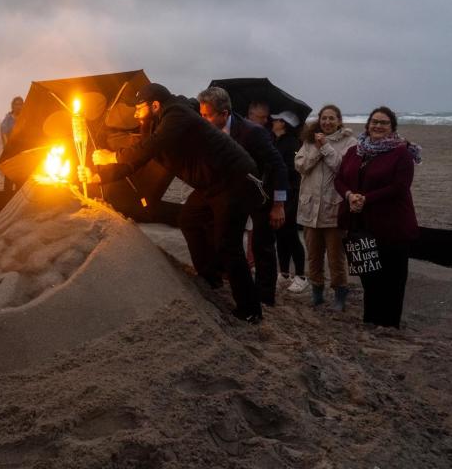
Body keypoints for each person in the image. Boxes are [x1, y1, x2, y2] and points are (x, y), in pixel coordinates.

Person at [80, 83, 265, 323]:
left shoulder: (177, 114)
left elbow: (151, 146)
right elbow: (140, 158)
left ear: (155, 105)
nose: (135, 114)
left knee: (228, 243)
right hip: (209, 184)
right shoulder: (155, 123)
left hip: (233, 180)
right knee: (188, 219)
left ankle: (250, 310)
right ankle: (210, 276)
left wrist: (112, 156)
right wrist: (98, 176)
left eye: (139, 108)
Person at [197, 87, 289, 306]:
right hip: (231, 194)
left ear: (224, 114)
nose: (203, 120)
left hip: (261, 193)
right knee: (224, 236)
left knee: (262, 245)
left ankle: (265, 298)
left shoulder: (252, 133)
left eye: (207, 115)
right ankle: (221, 277)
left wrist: (278, 204)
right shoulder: (207, 132)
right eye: (201, 115)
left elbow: (279, 167)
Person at [334, 107, 420, 328]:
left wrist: (366, 199)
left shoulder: (401, 153)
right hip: (360, 224)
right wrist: (349, 195)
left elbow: (400, 187)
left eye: (384, 123)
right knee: (369, 275)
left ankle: (389, 324)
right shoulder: (355, 151)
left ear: (392, 128)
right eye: (374, 122)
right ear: (367, 124)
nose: (378, 126)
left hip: (392, 225)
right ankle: (371, 319)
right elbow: (339, 179)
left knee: (392, 278)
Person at [295, 104, 356, 310]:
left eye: (332, 118)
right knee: (313, 255)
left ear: (339, 121)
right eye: (324, 118)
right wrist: (316, 150)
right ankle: (317, 292)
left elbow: (343, 168)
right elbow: (300, 166)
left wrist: (326, 148)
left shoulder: (349, 142)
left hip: (333, 208)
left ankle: (340, 294)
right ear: (319, 120)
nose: (327, 122)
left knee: (336, 256)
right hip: (310, 208)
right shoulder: (309, 140)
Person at [271, 111, 308, 292]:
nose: (272, 121)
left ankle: (301, 275)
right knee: (280, 234)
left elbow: (292, 171)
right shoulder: (277, 140)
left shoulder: (291, 142)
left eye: (276, 119)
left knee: (291, 234)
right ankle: (284, 273)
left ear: (283, 123)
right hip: (280, 193)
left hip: (291, 194)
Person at [0, 96, 24, 192]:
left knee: (20, 177)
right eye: (16, 104)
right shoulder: (8, 118)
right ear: (12, 106)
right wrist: (7, 147)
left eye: (20, 104)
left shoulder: (24, 118)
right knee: (9, 176)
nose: (18, 106)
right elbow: (4, 132)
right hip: (10, 151)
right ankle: (6, 197)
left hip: (21, 151)